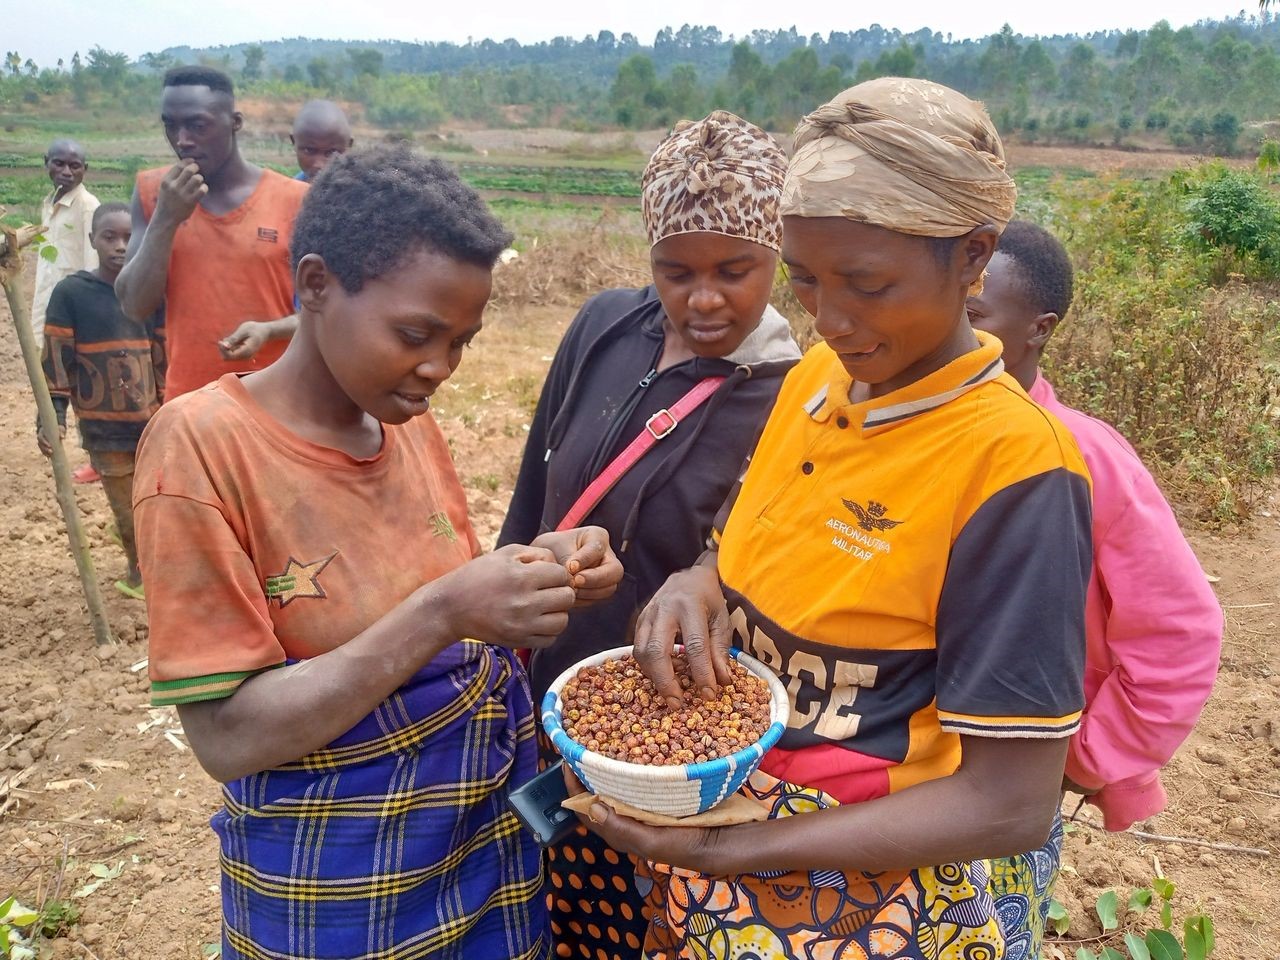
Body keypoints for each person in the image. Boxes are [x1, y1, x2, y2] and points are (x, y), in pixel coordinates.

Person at [570, 78, 1094, 960]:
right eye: (807, 280)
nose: (833, 317)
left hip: (875, 895)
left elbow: (1009, 804)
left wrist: (730, 852)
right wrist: (700, 576)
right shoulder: (816, 379)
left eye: (867, 283)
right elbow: (742, 527)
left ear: (973, 257)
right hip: (734, 823)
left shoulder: (1016, 468)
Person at [134, 145, 623, 960]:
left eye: (463, 340)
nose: (440, 368)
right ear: (317, 285)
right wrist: (443, 611)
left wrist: (543, 571)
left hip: (484, 856)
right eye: (416, 334)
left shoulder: (401, 418)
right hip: (340, 888)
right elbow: (225, 737)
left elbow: (442, 601)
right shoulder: (204, 449)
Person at [500, 111, 799, 960]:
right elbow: (535, 487)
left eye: (734, 271)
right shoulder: (604, 328)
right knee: (549, 900)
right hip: (542, 680)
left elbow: (764, 562)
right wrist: (507, 594)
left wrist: (706, 565)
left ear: (775, 254)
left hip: (663, 725)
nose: (704, 299)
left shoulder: (792, 392)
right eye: (676, 272)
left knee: (654, 917)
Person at [966, 220, 1223, 950]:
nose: (952, 329)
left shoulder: (1083, 457)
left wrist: (1083, 758)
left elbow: (1181, 630)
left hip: (1007, 786)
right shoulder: (910, 431)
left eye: (976, 315)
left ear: (1039, 329)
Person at [115, 66, 307, 401]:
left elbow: (329, 313)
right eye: (170, 125)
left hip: (279, 403)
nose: (182, 140)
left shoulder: (293, 200)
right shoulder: (152, 193)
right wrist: (165, 218)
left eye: (197, 125)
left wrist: (270, 330)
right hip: (191, 403)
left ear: (235, 122)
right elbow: (134, 304)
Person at [39, 202, 162, 599]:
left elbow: (162, 355)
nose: (120, 246)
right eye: (110, 237)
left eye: (129, 238)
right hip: (103, 426)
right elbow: (57, 358)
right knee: (126, 505)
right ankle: (138, 570)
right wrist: (52, 414)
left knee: (152, 499)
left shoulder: (148, 293)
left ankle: (144, 551)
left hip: (152, 421)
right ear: (92, 239)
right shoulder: (72, 293)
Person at [31, 139, 100, 343]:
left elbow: (93, 266)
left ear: (84, 169)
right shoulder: (49, 203)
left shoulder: (88, 207)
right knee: (40, 362)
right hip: (44, 303)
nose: (67, 172)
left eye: (74, 166)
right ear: (47, 163)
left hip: (72, 310)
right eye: (59, 164)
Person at [291, 100, 353, 181]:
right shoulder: (289, 191)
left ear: (349, 145)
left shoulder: (365, 190)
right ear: (293, 141)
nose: (319, 165)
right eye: (309, 150)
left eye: (332, 152)